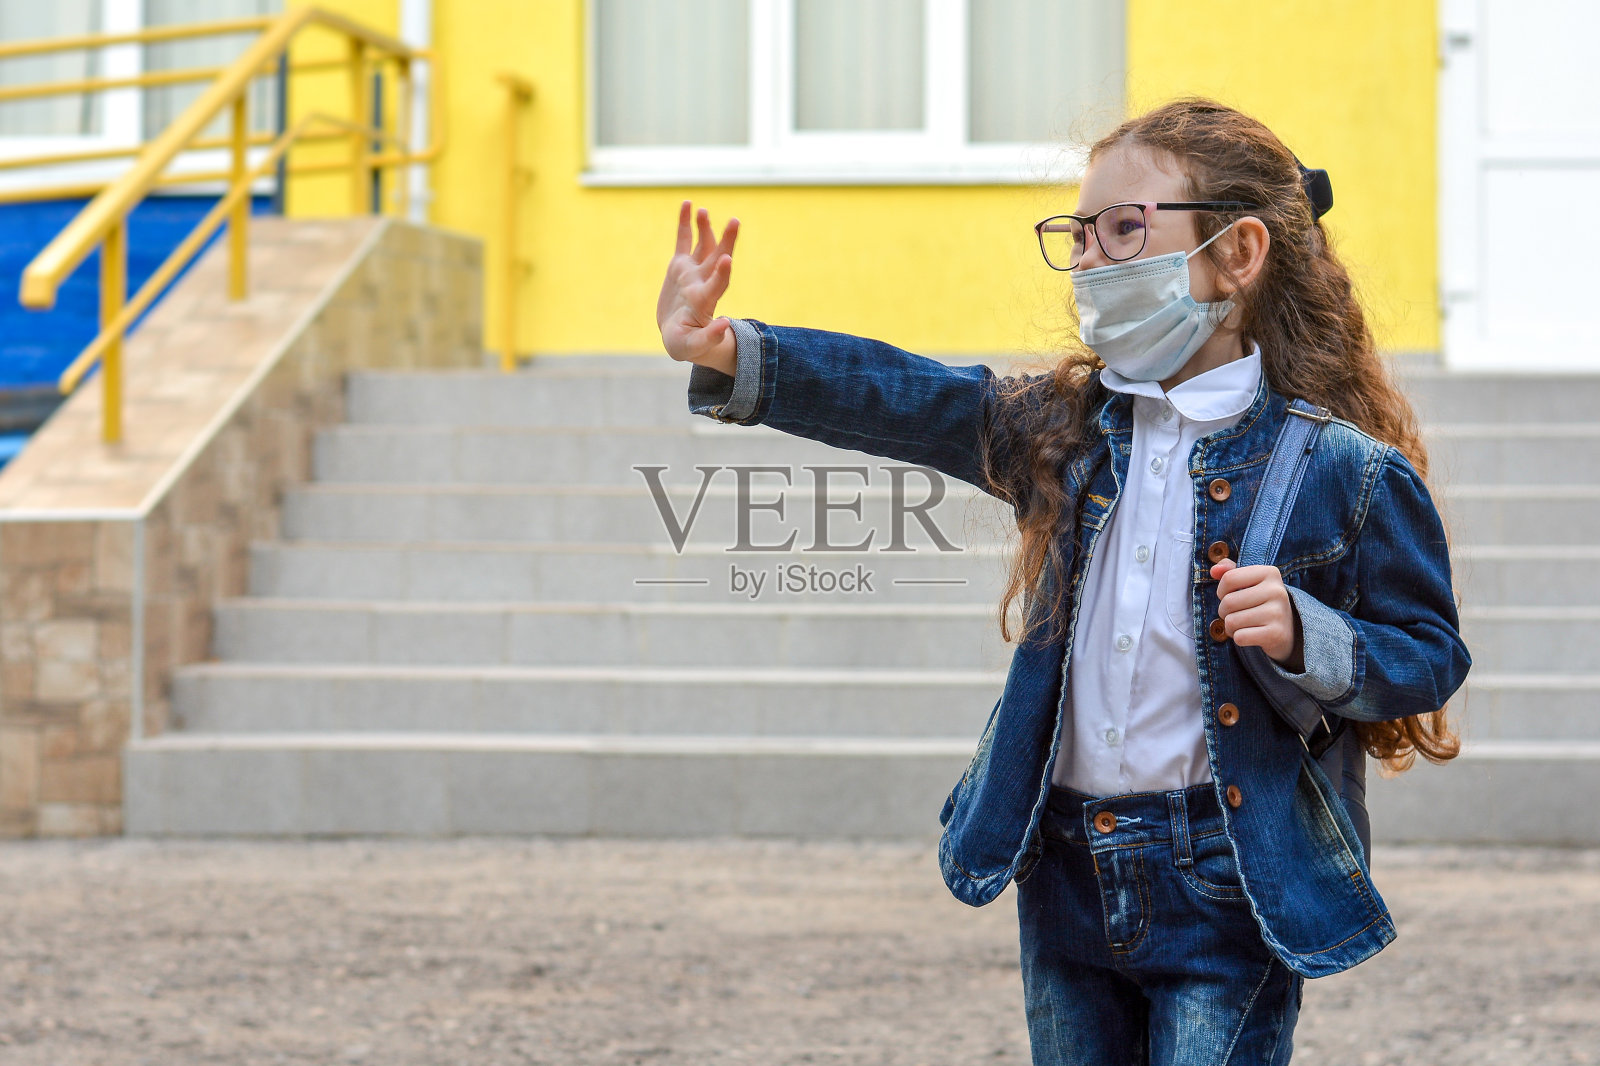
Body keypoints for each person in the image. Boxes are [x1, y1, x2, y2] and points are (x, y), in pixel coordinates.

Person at [656, 97, 1471, 1065]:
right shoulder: (1062, 430)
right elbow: (909, 395)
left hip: (1227, 875)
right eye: (1077, 233)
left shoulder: (1345, 469)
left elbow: (1426, 655)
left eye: (1123, 228)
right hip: (1066, 866)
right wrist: (727, 349)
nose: (1087, 258)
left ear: (1237, 253)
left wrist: (1307, 633)